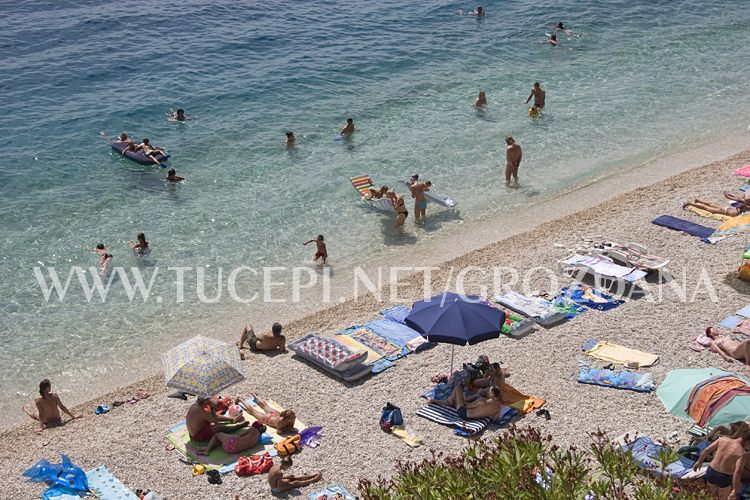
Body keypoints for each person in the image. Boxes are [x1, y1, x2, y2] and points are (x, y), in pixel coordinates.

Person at [693, 432, 750, 500]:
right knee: (722, 498)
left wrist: (699, 462)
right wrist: (734, 490)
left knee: (711, 495)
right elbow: (737, 471)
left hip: (711, 471)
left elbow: (706, 450)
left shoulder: (723, 439)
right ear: (748, 442)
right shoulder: (742, 453)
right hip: (724, 476)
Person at [429, 384, 503, 419]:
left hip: (463, 413)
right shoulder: (498, 407)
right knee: (476, 396)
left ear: (492, 394)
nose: (487, 391)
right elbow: (494, 419)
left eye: (488, 391)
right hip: (474, 416)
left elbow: (466, 406)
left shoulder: (482, 401)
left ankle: (447, 402)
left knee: (458, 387)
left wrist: (462, 399)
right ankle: (451, 401)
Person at [193, 421, 265, 456]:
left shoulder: (252, 429)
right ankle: (206, 448)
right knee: (222, 440)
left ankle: (207, 450)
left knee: (217, 435)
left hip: (232, 442)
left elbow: (241, 435)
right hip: (231, 450)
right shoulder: (257, 439)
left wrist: (231, 435)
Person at [683, 199, 747, 218]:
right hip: (722, 211)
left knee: (710, 204)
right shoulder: (738, 214)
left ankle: (699, 201)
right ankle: (690, 203)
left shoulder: (738, 208)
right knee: (706, 208)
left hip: (725, 208)